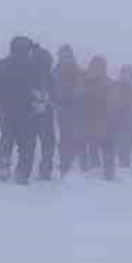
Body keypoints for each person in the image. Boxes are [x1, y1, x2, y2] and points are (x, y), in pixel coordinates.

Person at [0, 37, 40, 184]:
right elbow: (39, 88)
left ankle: (4, 167)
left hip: (5, 110)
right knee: (26, 143)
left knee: (7, 138)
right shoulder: (33, 66)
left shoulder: (0, 65)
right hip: (27, 111)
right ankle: (22, 173)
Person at [51, 45, 87, 175]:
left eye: (67, 56)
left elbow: (84, 91)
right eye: (62, 55)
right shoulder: (55, 73)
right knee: (66, 137)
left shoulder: (79, 72)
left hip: (78, 111)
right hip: (63, 111)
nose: (65, 58)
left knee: (80, 138)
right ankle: (65, 164)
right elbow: (52, 91)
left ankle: (84, 166)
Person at [82, 55, 117, 180]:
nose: (97, 69)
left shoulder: (109, 84)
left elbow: (113, 103)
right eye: (94, 66)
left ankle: (108, 175)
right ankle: (94, 173)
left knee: (107, 148)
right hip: (89, 120)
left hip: (105, 121)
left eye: (100, 67)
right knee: (92, 148)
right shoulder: (84, 82)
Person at [32, 46, 57, 181]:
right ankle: (45, 171)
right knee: (48, 143)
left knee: (28, 144)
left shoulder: (28, 73)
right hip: (45, 114)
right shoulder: (50, 76)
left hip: (31, 114)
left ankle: (25, 170)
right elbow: (56, 93)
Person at [113, 65, 132, 169]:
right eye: (123, 73)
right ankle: (121, 161)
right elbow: (112, 100)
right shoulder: (115, 86)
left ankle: (126, 162)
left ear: (131, 75)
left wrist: (128, 104)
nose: (125, 76)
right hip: (117, 119)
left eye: (127, 74)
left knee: (129, 142)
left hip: (130, 119)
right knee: (120, 141)